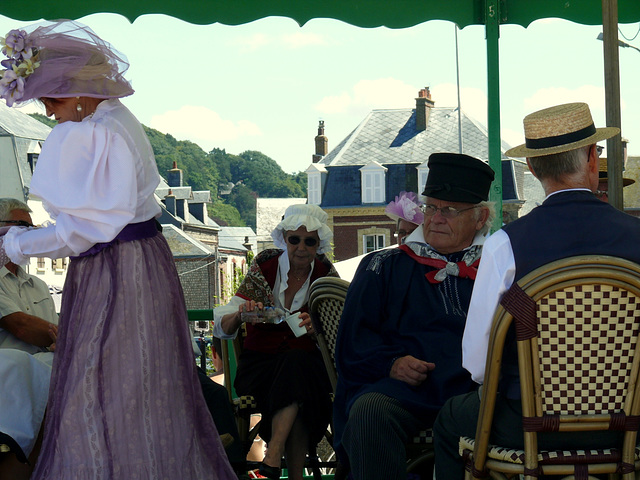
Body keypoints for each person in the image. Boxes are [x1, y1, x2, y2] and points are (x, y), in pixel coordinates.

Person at [0, 20, 235, 479]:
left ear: (80, 92)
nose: (49, 112)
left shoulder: (98, 134)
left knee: (99, 383)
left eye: (52, 99)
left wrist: (20, 242)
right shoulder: (110, 122)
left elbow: (84, 230)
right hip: (134, 263)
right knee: (134, 382)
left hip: (116, 269)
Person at [433, 102, 640, 478]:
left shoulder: (505, 245)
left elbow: (477, 364)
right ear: (593, 158)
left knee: (449, 421)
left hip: (528, 426)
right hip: (629, 424)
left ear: (531, 168)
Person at [333, 153, 495, 480]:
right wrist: (390, 364)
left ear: (480, 218)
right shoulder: (383, 267)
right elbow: (352, 345)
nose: (435, 218)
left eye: (450, 210)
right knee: (368, 413)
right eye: (431, 207)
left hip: (477, 395)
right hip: (406, 394)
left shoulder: (498, 268)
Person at [213, 204, 337, 480]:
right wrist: (241, 315)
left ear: (319, 244)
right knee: (298, 379)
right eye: (294, 239)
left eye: (310, 241)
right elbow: (223, 325)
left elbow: (341, 328)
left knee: (298, 367)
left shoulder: (326, 274)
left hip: (306, 368)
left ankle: (273, 453)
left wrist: (317, 328)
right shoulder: (265, 265)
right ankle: (292, 472)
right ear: (284, 239)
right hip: (261, 368)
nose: (301, 247)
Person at [0, 199, 58, 479]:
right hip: (10, 378)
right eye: (23, 226)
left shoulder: (39, 284)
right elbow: (21, 326)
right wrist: (56, 337)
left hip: (42, 371)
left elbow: (53, 332)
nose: (31, 233)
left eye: (32, 227)